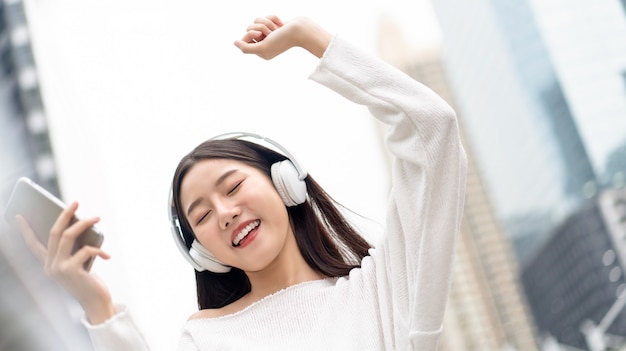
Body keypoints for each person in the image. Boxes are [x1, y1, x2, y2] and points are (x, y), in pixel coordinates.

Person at [15, 14, 467, 350]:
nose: (226, 213)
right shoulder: (206, 338)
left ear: (286, 182)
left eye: (232, 188)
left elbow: (433, 130)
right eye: (203, 216)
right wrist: (97, 307)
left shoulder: (385, 290)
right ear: (202, 252)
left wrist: (311, 39)